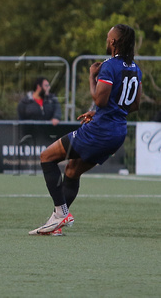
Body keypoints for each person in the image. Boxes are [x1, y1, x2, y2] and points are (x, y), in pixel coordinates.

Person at [29, 24, 142, 236]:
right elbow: (133, 105)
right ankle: (56, 224)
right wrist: (101, 112)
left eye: (109, 36)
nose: (107, 38)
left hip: (99, 131)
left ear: (113, 42)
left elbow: (99, 98)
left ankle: (61, 214)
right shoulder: (136, 68)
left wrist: (92, 77)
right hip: (117, 133)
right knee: (72, 171)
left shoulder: (109, 66)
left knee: (46, 157)